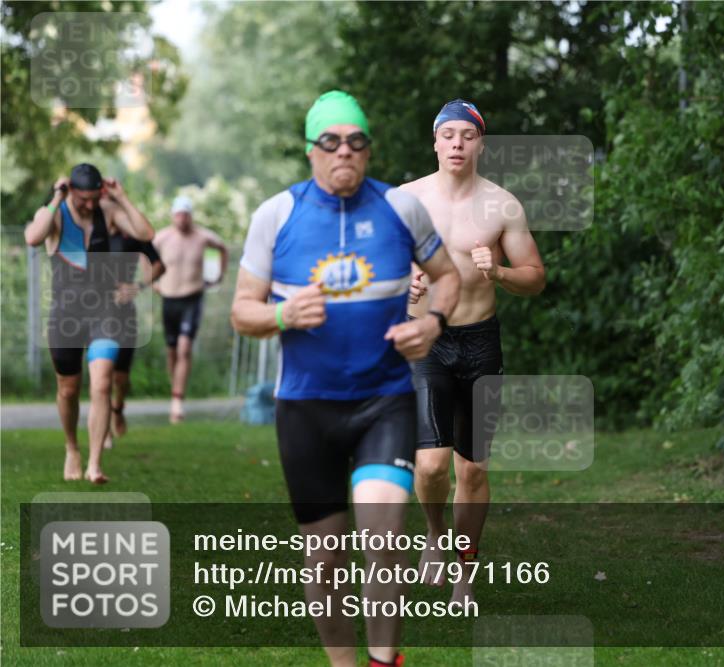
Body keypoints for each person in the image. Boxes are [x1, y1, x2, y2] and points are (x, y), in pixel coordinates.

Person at [231, 90, 460, 667]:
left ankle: (385, 661)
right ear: (311, 151)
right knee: (326, 558)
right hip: (306, 409)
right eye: (330, 142)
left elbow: (448, 277)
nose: (344, 153)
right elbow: (242, 310)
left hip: (383, 401)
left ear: (368, 150)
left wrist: (432, 322)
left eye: (356, 142)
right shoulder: (275, 215)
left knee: (382, 539)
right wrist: (282, 315)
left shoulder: (399, 209)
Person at [404, 100, 546, 603]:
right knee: (431, 466)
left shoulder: (502, 205)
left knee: (475, 469)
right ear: (436, 142)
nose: (458, 144)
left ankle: (465, 567)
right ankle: (434, 537)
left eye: (468, 135)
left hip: (481, 342)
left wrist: (501, 272)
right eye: (449, 135)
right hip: (428, 341)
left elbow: (535, 277)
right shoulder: (405, 201)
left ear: (480, 143)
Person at [23, 163, 155, 484]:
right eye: (84, 198)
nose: (90, 205)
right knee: (68, 390)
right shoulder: (55, 214)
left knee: (101, 383)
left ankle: (95, 463)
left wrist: (121, 197)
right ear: (71, 192)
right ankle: (72, 448)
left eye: (95, 197)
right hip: (66, 316)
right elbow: (32, 237)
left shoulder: (106, 211)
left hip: (104, 314)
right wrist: (56, 197)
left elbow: (146, 233)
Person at [153, 195, 228, 423]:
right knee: (172, 350)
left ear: (191, 215)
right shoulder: (162, 238)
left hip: (192, 297)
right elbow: (145, 254)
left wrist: (218, 275)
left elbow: (223, 248)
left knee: (185, 348)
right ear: (172, 215)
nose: (182, 219)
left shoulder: (203, 237)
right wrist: (152, 281)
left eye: (186, 214)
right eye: (178, 214)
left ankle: (178, 400)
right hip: (169, 298)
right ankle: (174, 387)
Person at [105, 219, 166, 445]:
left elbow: (159, 265)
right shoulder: (89, 229)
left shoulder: (131, 235)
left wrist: (137, 286)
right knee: (102, 372)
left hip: (124, 312)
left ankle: (117, 409)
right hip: (96, 311)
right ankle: (103, 429)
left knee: (120, 377)